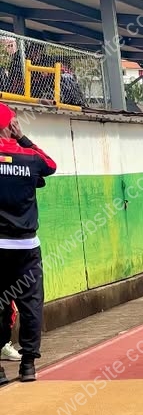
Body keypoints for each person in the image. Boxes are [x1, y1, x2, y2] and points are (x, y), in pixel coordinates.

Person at [0, 103, 55, 385]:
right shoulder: (29, 158)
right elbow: (51, 165)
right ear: (11, 126)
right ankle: (28, 364)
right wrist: (22, 138)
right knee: (31, 304)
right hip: (25, 247)